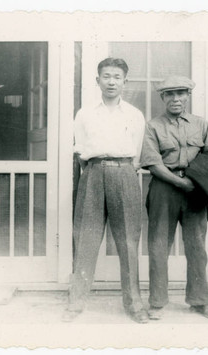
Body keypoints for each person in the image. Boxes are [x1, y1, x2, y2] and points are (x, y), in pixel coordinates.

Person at [63, 58, 148, 323]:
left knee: (128, 242)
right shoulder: (85, 114)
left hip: (124, 173)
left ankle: (134, 304)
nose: (111, 81)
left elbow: (136, 154)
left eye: (117, 77)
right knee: (86, 240)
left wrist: (121, 170)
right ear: (97, 80)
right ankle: (76, 303)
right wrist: (95, 170)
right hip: (93, 172)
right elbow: (81, 151)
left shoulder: (134, 115)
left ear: (125, 81)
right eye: (106, 76)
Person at [140, 76, 208, 320]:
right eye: (170, 94)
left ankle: (199, 301)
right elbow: (153, 163)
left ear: (188, 96)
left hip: (195, 189)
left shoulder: (201, 124)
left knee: (197, 247)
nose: (176, 99)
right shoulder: (153, 126)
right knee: (158, 245)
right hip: (165, 187)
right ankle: (157, 302)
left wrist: (196, 183)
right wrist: (179, 182)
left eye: (181, 94)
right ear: (163, 98)